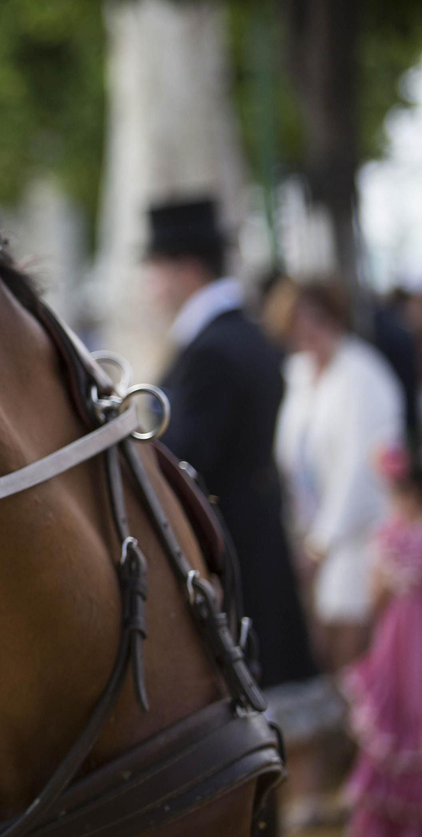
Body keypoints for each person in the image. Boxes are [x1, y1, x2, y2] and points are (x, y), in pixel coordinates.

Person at [145, 198, 319, 691]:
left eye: (156, 268)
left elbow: (185, 457)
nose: (149, 284)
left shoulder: (212, 348)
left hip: (231, 550)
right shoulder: (238, 334)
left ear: (186, 270)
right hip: (256, 536)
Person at [275, 279, 405, 670]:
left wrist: (321, 545)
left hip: (360, 539)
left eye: (316, 321)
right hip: (312, 538)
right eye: (298, 325)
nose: (308, 333)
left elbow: (360, 473)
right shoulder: (299, 375)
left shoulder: (362, 375)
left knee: (355, 657)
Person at [341, 446, 422, 837]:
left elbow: (373, 595)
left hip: (398, 641)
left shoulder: (390, 534)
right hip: (410, 642)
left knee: (397, 722)